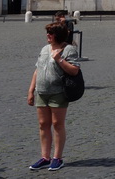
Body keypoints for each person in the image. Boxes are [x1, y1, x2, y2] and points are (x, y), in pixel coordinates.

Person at [27, 22, 80, 171]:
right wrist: (31, 91)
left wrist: (59, 59)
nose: (47, 36)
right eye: (47, 33)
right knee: (43, 125)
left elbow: (74, 71)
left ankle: (57, 158)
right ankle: (45, 157)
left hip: (58, 93)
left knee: (57, 124)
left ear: (58, 35)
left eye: (50, 33)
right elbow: (37, 70)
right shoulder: (44, 49)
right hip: (42, 92)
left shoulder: (69, 50)